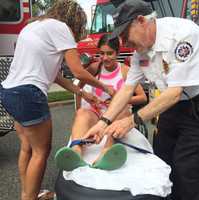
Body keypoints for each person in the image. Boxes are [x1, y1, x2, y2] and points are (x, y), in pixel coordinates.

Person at [84, 0, 199, 200]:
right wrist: (104, 121)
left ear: (141, 21)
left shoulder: (183, 34)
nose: (123, 42)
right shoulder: (140, 51)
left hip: (194, 108)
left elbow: (175, 91)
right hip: (168, 108)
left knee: (186, 169)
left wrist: (132, 120)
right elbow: (127, 89)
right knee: (162, 162)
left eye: (124, 34)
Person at [0, 0, 114, 200]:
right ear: (75, 20)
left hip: (8, 91)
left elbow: (55, 76)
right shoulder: (61, 28)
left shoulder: (32, 26)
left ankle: (27, 193)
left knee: (27, 146)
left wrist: (84, 94)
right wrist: (105, 87)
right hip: (29, 94)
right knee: (41, 151)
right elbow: (78, 71)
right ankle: (29, 197)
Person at [55, 34, 147, 171]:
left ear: (117, 53)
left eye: (109, 53)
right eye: (102, 53)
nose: (105, 58)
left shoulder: (125, 71)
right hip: (97, 114)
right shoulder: (94, 68)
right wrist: (80, 106)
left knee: (122, 110)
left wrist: (118, 100)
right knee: (82, 113)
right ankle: (76, 151)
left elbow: (142, 97)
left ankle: (107, 151)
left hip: (117, 115)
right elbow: (79, 88)